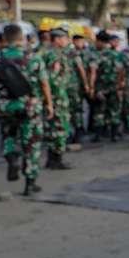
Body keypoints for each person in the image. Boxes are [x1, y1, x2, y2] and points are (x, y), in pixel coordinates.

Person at [0, 23, 54, 195]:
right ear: (21, 39)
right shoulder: (33, 58)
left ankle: (11, 157)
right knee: (31, 143)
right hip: (30, 106)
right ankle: (30, 184)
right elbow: (44, 84)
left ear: (4, 39)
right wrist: (49, 104)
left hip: (6, 106)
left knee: (9, 135)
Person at [41, 29, 74, 169]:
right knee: (60, 128)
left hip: (54, 96)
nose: (67, 41)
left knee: (52, 129)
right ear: (57, 40)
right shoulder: (55, 56)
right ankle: (57, 160)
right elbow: (53, 79)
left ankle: (51, 159)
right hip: (57, 97)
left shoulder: (49, 53)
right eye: (65, 38)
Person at [88, 31, 124, 142]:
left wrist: (91, 87)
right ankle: (114, 135)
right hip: (114, 86)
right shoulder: (115, 54)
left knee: (99, 111)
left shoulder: (97, 55)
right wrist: (119, 85)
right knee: (114, 110)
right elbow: (121, 71)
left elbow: (93, 72)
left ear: (100, 42)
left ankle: (98, 135)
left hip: (101, 87)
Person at [66, 34, 90, 144]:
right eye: (79, 41)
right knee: (75, 110)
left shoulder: (82, 52)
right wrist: (86, 84)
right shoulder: (72, 52)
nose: (81, 43)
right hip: (74, 87)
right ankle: (76, 132)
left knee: (76, 109)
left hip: (74, 86)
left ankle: (76, 132)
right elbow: (81, 69)